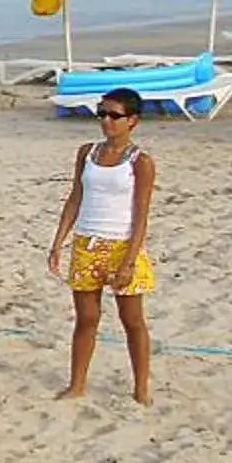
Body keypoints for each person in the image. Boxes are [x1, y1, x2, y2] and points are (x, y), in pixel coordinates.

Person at [51, 88, 156, 404]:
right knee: (86, 318)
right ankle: (77, 384)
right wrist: (58, 242)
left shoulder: (141, 162)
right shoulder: (87, 153)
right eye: (102, 114)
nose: (106, 121)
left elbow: (141, 215)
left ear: (132, 121)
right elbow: (75, 197)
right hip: (86, 242)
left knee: (132, 320)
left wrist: (129, 261)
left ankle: (141, 388)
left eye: (114, 116)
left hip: (122, 245)